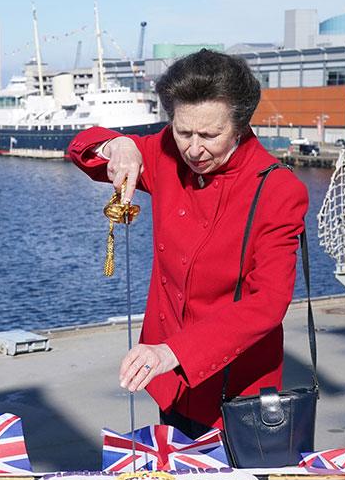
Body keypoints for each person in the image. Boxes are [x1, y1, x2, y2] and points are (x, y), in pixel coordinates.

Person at [67, 50, 308, 440]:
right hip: (170, 385)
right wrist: (120, 146)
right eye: (184, 132)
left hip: (235, 394)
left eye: (210, 136)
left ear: (241, 125)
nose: (194, 150)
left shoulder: (279, 189)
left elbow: (268, 302)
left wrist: (172, 352)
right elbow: (82, 146)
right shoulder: (165, 153)